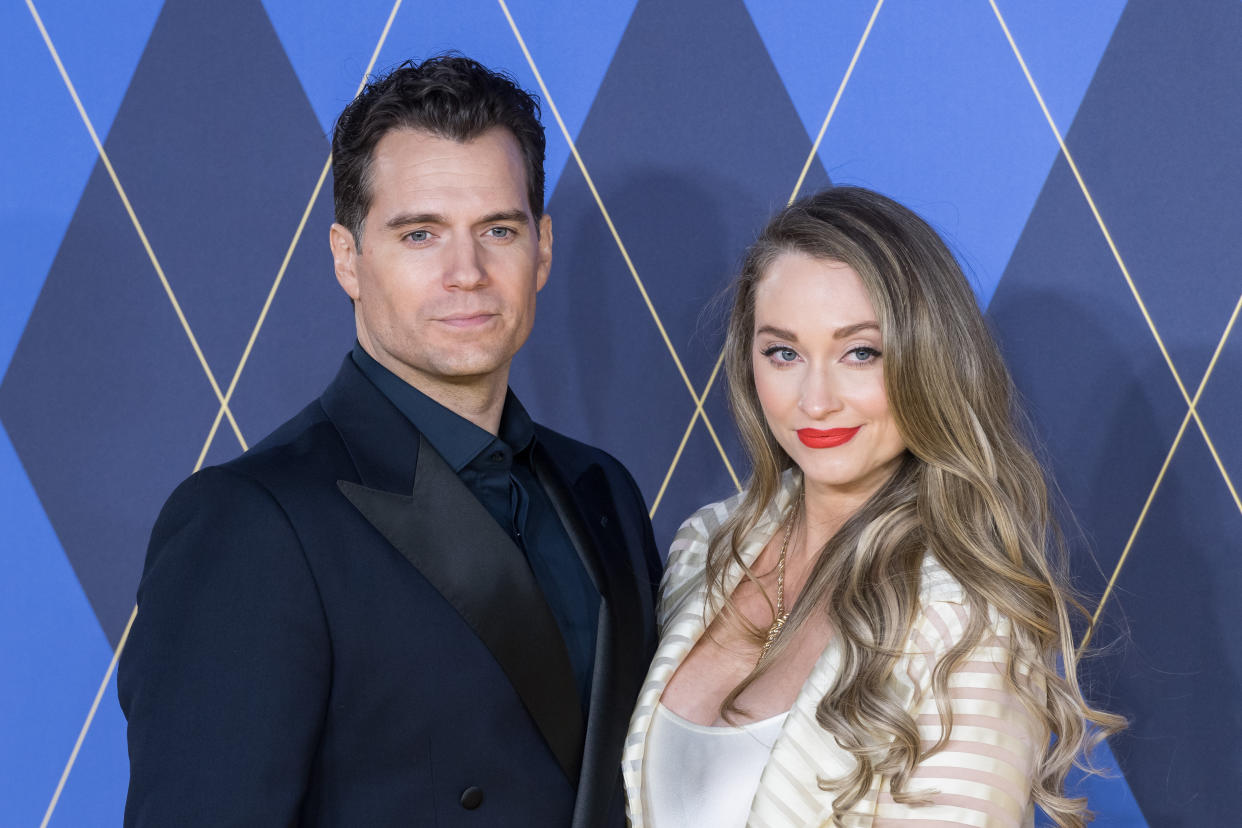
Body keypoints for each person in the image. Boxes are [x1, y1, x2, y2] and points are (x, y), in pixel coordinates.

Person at [119, 55, 662, 827]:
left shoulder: (603, 489)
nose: (466, 272)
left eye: (497, 230)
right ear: (349, 257)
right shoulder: (248, 524)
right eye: (420, 234)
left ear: (541, 249)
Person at [622, 187, 1122, 827]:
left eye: (861, 352)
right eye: (784, 352)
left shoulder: (965, 618)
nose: (817, 399)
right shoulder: (711, 545)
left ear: (927, 360)